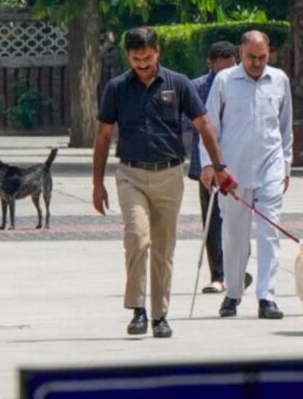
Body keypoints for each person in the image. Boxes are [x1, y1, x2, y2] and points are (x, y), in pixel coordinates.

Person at [93, 27, 231, 339]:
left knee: (164, 248)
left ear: (158, 53)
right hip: (131, 174)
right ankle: (138, 310)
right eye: (136, 58)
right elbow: (103, 135)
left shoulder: (178, 84)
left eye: (147, 57)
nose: (142, 64)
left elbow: (204, 124)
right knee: (137, 239)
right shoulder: (116, 88)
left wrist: (219, 166)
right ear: (128, 56)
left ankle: (160, 316)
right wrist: (97, 182)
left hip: (169, 175)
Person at [200, 31, 293, 319]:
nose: (257, 63)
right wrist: (209, 165)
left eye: (262, 57)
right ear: (241, 53)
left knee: (270, 232)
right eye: (251, 57)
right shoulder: (224, 81)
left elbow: (285, 127)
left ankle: (267, 296)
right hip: (232, 172)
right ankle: (233, 293)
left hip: (270, 168)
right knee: (234, 234)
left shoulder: (279, 80)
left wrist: (286, 167)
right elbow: (210, 127)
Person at [185, 40, 238, 294]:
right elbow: (189, 125)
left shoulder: (243, 84)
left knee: (238, 220)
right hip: (207, 164)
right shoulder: (196, 88)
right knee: (212, 221)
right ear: (210, 64)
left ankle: (238, 269)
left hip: (239, 163)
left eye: (232, 67)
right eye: (222, 69)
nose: (227, 74)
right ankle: (217, 274)